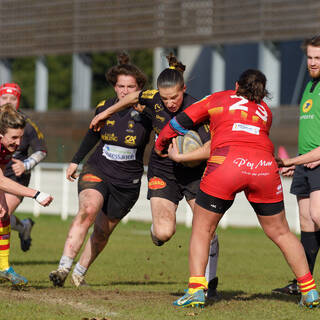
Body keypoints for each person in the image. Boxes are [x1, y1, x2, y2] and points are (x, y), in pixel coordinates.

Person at [154, 69, 320, 308]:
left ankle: (196, 290)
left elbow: (178, 123)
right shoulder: (266, 111)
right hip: (264, 167)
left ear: (236, 85)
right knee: (282, 233)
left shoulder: (219, 98)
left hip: (227, 165)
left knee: (202, 228)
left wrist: (160, 146)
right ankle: (310, 291)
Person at [90, 53, 219, 297]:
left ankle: (209, 283)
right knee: (163, 232)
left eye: (175, 97)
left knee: (207, 227)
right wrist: (105, 113)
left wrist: (184, 156)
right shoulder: (152, 97)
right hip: (163, 169)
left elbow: (211, 147)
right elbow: (132, 97)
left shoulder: (199, 109)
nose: (170, 103)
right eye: (165, 98)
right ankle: (156, 233)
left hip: (194, 172)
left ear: (184, 89)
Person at [49, 53, 153, 287]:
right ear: (114, 87)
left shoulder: (149, 113)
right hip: (98, 168)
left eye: (130, 87)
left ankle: (79, 272)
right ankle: (63, 268)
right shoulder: (104, 107)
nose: (124, 91)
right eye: (120, 86)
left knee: (102, 233)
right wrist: (76, 160)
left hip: (127, 182)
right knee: (87, 211)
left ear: (140, 88)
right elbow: (92, 134)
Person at [272, 35, 320, 296]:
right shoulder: (310, 86)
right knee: (306, 223)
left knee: (317, 215)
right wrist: (298, 162)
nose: (313, 63)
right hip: (305, 162)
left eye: (318, 58)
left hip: (316, 162)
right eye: (310, 57)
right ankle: (304, 284)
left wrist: (290, 160)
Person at [0, 104, 52, 286]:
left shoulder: (7, 148)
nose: (19, 143)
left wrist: (2, 201)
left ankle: (4, 267)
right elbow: (1, 181)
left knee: (3, 216)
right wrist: (36, 194)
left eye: (21, 137)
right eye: (14, 137)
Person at [0, 83, 47, 252]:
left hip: (15, 176)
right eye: (4, 97)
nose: (8, 101)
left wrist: (26, 164)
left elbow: (42, 150)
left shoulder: (26, 124)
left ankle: (3, 266)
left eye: (13, 98)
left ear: (18, 101)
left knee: (2, 216)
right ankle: (24, 227)